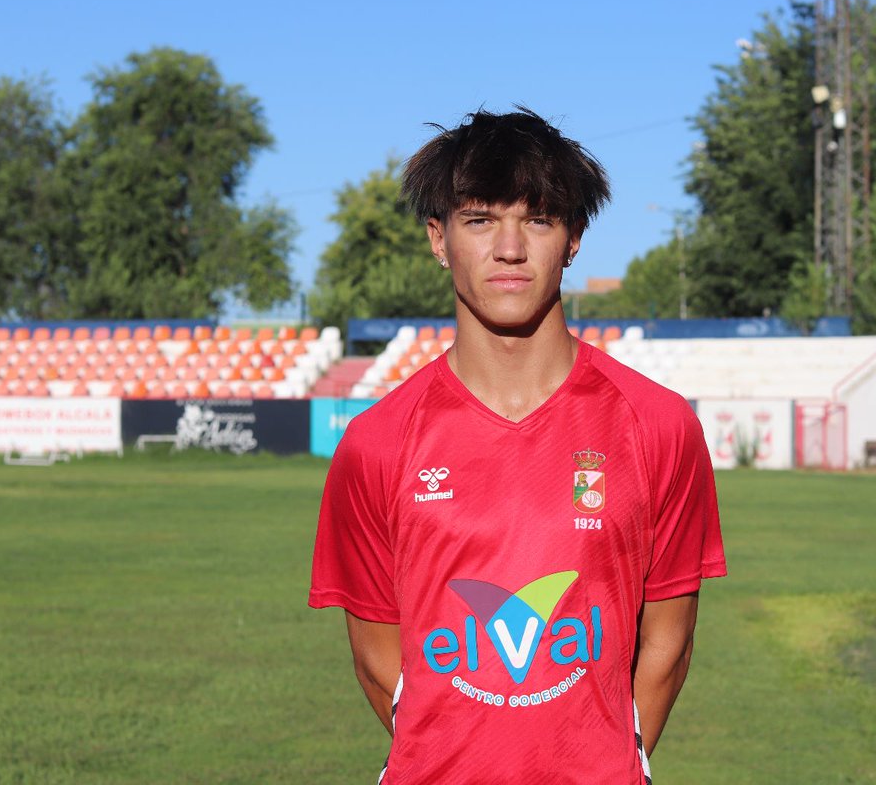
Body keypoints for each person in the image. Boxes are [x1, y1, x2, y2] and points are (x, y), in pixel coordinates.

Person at [309, 107, 726, 784]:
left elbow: (668, 638)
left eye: (537, 219)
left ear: (574, 239)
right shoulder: (376, 443)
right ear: (438, 239)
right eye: (479, 220)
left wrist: (619, 757)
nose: (509, 247)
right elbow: (374, 649)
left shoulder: (659, 426)